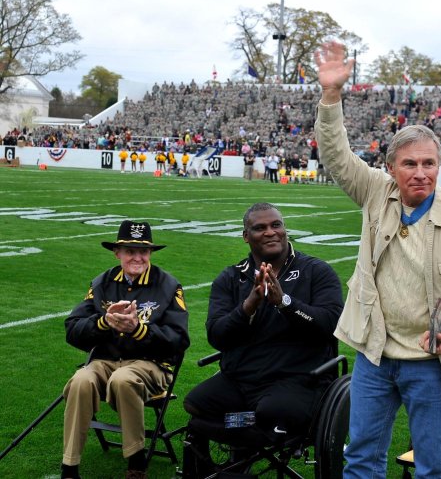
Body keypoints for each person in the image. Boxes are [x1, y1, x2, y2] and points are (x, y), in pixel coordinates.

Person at [313, 41, 441, 478]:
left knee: (434, 466)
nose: (421, 172)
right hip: (375, 353)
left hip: (432, 361)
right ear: (391, 168)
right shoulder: (376, 193)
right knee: (361, 457)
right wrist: (330, 97)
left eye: (430, 163)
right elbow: (336, 157)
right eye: (410, 163)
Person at [182, 203, 343, 475]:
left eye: (276, 225)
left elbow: (329, 325)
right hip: (242, 378)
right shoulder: (231, 277)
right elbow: (217, 335)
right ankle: (233, 459)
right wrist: (249, 306)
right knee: (196, 404)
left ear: (285, 229)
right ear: (246, 236)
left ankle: (237, 461)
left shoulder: (317, 271)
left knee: (268, 412)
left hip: (298, 378)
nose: (271, 232)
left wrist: (285, 303)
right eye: (260, 228)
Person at [61, 221, 190, 479]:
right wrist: (103, 322)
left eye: (143, 251)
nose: (137, 257)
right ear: (117, 253)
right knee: (80, 380)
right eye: (130, 251)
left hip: (151, 365)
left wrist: (139, 329)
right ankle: (69, 465)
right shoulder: (101, 283)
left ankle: (136, 460)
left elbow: (179, 340)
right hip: (105, 361)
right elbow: (72, 330)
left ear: (150, 253)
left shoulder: (168, 285)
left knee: (123, 379)